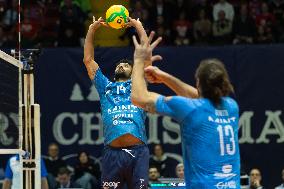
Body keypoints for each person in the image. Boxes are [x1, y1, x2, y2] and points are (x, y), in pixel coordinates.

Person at [131, 32, 240, 188]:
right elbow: (201, 97)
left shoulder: (189, 108)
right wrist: (164, 77)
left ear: (198, 83)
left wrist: (139, 61)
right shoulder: (231, 106)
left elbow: (138, 98)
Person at [83, 17, 161, 188]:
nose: (122, 66)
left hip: (138, 152)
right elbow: (88, 60)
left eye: (126, 65)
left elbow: (146, 57)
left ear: (133, 71)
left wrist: (138, 25)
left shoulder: (137, 83)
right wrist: (92, 30)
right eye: (119, 65)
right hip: (112, 154)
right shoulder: (105, 87)